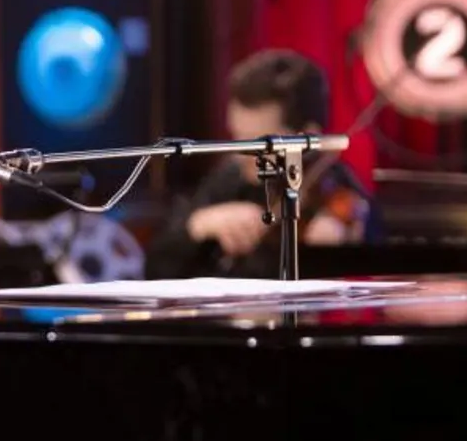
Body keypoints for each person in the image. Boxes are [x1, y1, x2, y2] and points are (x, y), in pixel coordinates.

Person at [145, 48, 373, 279]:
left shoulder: (341, 191)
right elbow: (154, 266)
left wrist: (331, 255)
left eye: (259, 145)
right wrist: (198, 225)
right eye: (236, 138)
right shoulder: (229, 181)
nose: (240, 155)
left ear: (306, 137)